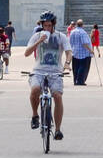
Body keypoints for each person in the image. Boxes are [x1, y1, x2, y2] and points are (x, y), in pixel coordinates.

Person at [25, 10, 72, 139]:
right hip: (38, 70)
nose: (47, 28)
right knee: (35, 90)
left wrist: (67, 63)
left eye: (49, 25)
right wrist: (39, 41)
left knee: (57, 96)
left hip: (56, 71)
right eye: (44, 25)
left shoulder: (60, 36)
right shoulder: (36, 36)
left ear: (53, 25)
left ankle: (57, 130)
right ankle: (35, 115)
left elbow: (68, 52)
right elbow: (26, 53)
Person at [69, 19, 94, 86]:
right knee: (82, 67)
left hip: (75, 52)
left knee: (75, 67)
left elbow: (70, 42)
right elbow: (84, 43)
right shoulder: (83, 32)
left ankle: (75, 80)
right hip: (83, 53)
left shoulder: (72, 32)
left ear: (76, 24)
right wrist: (90, 50)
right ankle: (80, 81)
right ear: (82, 25)